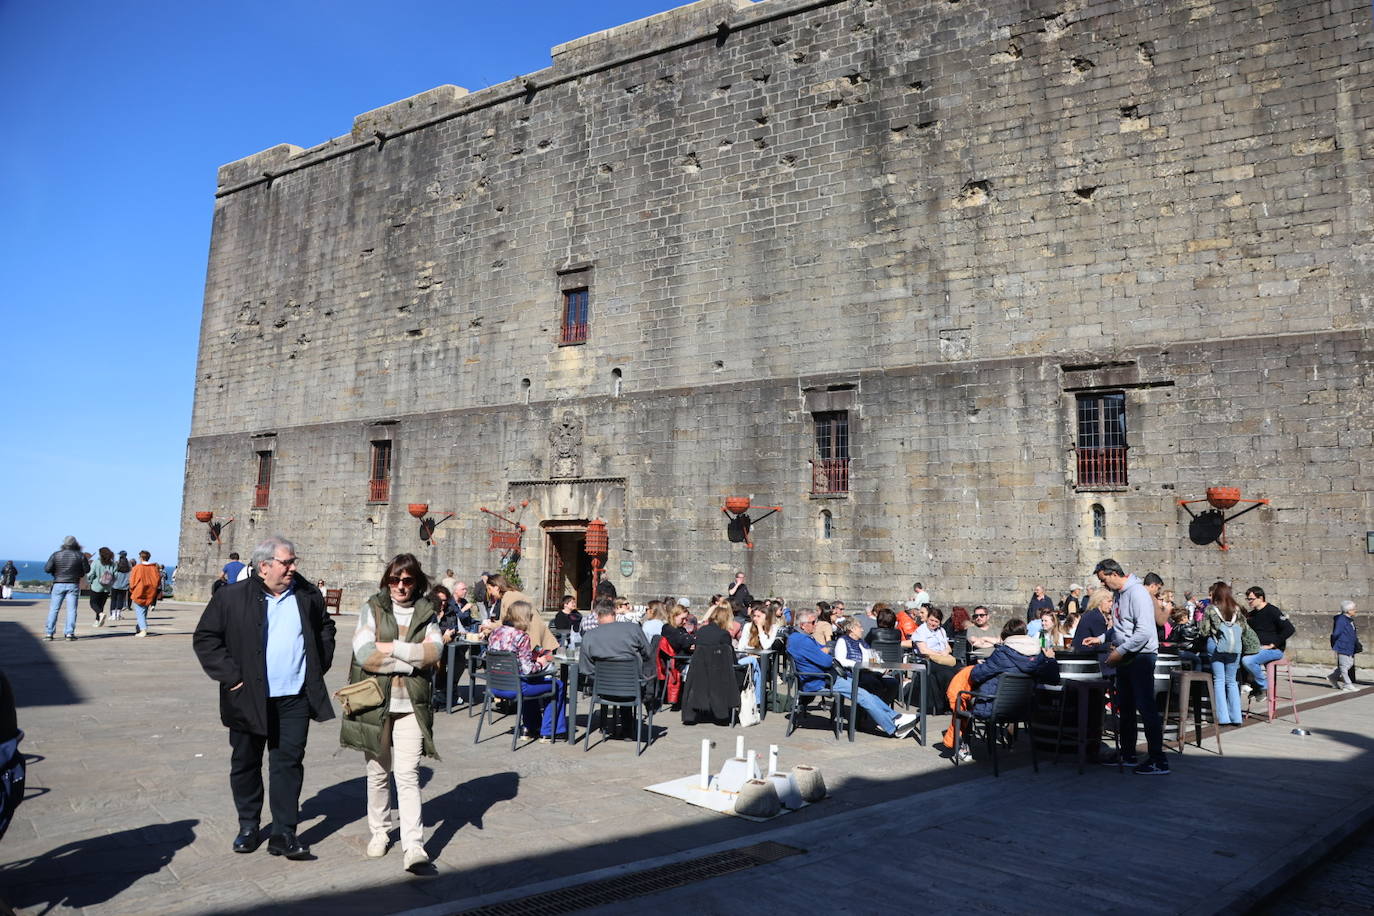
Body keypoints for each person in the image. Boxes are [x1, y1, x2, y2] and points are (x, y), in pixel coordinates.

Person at [192, 535, 336, 860]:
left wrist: (317, 664)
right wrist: (232, 678)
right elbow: (205, 638)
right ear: (264, 567)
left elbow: (325, 628)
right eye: (287, 562)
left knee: (288, 764)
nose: (293, 567)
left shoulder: (308, 594)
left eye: (293, 561)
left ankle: (284, 833)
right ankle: (248, 826)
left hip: (294, 698)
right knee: (245, 763)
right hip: (247, 697)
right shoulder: (231, 597)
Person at [340, 555, 442, 872]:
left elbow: (435, 652)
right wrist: (412, 660)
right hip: (376, 703)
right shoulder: (372, 608)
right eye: (395, 580)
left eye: (407, 580)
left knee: (408, 775)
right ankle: (380, 832)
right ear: (387, 580)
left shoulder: (427, 613)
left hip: (410, 705)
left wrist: (392, 646)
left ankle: (414, 846)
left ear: (416, 582)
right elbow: (365, 654)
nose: (400, 586)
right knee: (378, 773)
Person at [1085, 558, 1167, 775]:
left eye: (1103, 580)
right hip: (1126, 656)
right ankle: (1128, 753)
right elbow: (1121, 627)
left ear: (1113, 574)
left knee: (1146, 706)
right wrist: (1101, 638)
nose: (1103, 585)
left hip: (1140, 656)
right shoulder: (1120, 595)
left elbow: (1144, 632)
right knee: (1127, 707)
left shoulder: (1137, 593)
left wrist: (1118, 653)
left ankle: (1158, 759)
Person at [787, 609, 917, 739]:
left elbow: (821, 652)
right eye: (813, 622)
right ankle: (893, 727)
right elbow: (826, 661)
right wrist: (825, 652)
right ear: (803, 625)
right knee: (862, 695)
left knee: (865, 693)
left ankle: (895, 717)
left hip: (826, 677)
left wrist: (824, 651)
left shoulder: (799, 638)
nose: (816, 624)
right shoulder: (801, 640)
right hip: (821, 680)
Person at [944, 618, 1059, 760]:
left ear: (1006, 636)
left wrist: (982, 665)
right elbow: (1054, 678)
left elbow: (977, 675)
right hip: (1024, 709)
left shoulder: (1003, 653)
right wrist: (1051, 659)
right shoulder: (1038, 655)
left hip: (994, 708)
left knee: (963, 696)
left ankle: (963, 746)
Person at [485, 599, 562, 740]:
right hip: (516, 687)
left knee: (533, 682)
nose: (531, 619)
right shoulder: (521, 636)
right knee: (557, 685)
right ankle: (548, 732)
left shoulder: (495, 632)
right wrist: (541, 663)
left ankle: (530, 727)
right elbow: (527, 670)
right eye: (530, 616)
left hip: (495, 686)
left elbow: (506, 656)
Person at [581, 599, 655, 738]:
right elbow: (648, 653)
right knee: (634, 677)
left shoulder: (589, 636)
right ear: (614, 612)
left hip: (602, 690)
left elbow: (586, 668)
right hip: (633, 688)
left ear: (597, 615)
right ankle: (627, 730)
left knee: (614, 679)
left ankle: (606, 726)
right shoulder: (633, 629)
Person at [681, 603, 741, 725]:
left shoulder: (701, 631)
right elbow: (730, 657)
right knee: (741, 672)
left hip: (699, 671)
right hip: (718, 673)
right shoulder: (724, 634)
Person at [1200, 584, 1251, 726]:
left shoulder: (1211, 609)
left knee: (1219, 680)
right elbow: (1244, 629)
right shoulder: (1237, 609)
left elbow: (1204, 631)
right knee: (1232, 681)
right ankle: (1236, 717)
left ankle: (1222, 718)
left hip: (1216, 646)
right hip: (1235, 648)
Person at [1241, 586, 1295, 703]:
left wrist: (1273, 644)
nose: (1249, 602)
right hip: (1257, 648)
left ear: (1260, 598)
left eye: (1251, 599)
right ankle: (1252, 685)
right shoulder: (1252, 615)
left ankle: (1263, 686)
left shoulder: (1272, 611)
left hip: (1274, 650)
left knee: (1248, 661)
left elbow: (1289, 629)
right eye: (1248, 599)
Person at [44, 536, 89, 641]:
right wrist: (79, 572)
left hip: (58, 583)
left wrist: (55, 572)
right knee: (72, 610)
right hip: (73, 583)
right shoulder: (80, 555)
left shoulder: (56, 555)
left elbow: (47, 569)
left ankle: (49, 633)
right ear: (76, 544)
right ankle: (69, 633)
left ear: (64, 544)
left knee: (54, 609)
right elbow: (87, 569)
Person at [127, 551, 162, 637]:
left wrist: (132, 589)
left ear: (140, 557)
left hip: (139, 591)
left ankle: (143, 629)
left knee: (140, 611)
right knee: (144, 611)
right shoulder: (154, 568)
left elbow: (132, 581)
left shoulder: (137, 568)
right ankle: (140, 627)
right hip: (150, 592)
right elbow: (158, 580)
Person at [1328, 600, 1359, 692]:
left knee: (1348, 664)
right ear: (1348, 611)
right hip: (1343, 645)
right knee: (1344, 666)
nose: (1355, 611)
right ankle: (1347, 684)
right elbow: (1336, 633)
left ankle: (1332, 677)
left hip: (1350, 645)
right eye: (1353, 609)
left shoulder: (1349, 619)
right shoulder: (1341, 619)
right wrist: (1337, 643)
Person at [87, 547, 116, 627]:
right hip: (107, 588)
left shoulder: (96, 562)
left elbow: (91, 574)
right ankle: (97, 620)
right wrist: (111, 583)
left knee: (93, 603)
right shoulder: (113, 564)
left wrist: (90, 581)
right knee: (101, 604)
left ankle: (100, 614)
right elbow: (115, 575)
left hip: (96, 586)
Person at [110, 552, 132, 620]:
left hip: (115, 584)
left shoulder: (116, 563)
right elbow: (130, 575)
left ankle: (113, 615)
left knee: (113, 599)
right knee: (120, 600)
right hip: (124, 585)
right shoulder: (129, 565)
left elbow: (112, 573)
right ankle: (118, 614)